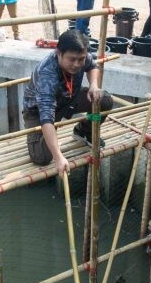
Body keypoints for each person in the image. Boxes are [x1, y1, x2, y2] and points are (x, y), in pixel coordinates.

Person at [23, 28, 113, 175]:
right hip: (38, 111)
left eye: (80, 59)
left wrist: (93, 86)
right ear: (59, 54)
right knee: (42, 158)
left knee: (104, 100)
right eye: (72, 59)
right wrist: (59, 157)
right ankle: (39, 142)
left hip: (69, 98)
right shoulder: (47, 73)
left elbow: (92, 65)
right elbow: (46, 116)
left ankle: (83, 132)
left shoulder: (81, 54)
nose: (77, 64)